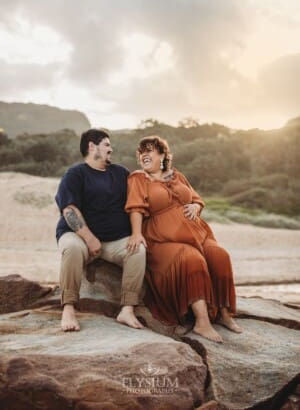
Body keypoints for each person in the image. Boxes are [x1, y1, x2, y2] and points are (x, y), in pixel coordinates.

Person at [125, 135, 243, 343]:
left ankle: (224, 314)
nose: (144, 154)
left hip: (197, 233)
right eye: (141, 151)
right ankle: (202, 322)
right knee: (192, 259)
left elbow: (196, 198)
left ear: (162, 155)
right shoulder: (138, 178)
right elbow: (135, 207)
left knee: (220, 256)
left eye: (150, 150)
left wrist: (196, 206)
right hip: (161, 240)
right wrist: (136, 233)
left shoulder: (177, 175)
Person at [55, 129, 146, 332]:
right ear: (91, 146)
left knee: (138, 251)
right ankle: (69, 308)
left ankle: (127, 309)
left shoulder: (120, 173)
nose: (110, 149)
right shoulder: (75, 174)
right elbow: (69, 210)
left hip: (115, 241)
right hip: (80, 237)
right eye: (106, 144)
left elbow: (138, 199)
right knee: (71, 248)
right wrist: (89, 238)